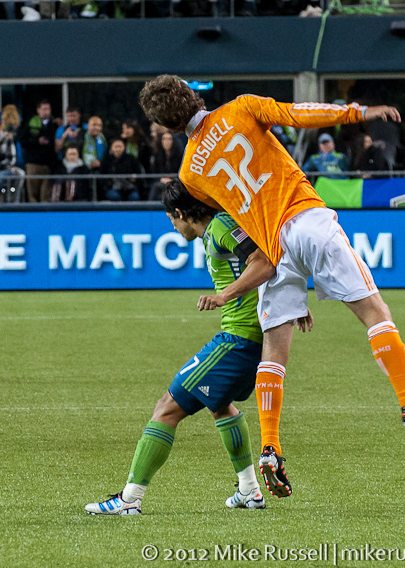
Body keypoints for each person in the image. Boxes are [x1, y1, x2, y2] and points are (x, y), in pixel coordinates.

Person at [138, 75, 405, 499]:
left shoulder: (189, 174)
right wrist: (358, 112)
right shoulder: (240, 108)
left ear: (166, 125)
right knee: (374, 313)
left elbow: (235, 217)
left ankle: (270, 446)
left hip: (274, 248)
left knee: (274, 350)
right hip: (306, 218)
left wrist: (286, 277)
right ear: (192, 96)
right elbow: (300, 114)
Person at [85, 179, 307, 516]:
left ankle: (130, 498)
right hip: (252, 339)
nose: (173, 227)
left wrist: (224, 295)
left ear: (180, 213)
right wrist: (293, 302)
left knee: (166, 407)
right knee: (220, 405)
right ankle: (249, 491)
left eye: (171, 220)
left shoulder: (221, 227)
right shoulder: (221, 227)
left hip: (238, 340)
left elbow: (264, 262)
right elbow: (272, 256)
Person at [19, 99, 58, 202]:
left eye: (48, 109)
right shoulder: (30, 123)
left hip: (48, 164)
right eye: (44, 109)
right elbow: (23, 141)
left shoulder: (54, 124)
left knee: (46, 195)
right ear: (38, 110)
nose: (46, 112)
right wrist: (37, 141)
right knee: (32, 194)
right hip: (33, 163)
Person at [147, 130, 183, 200]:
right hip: (161, 181)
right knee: (156, 188)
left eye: (169, 139)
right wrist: (161, 179)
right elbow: (154, 172)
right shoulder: (157, 155)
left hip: (175, 182)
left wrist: (171, 179)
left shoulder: (179, 155)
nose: (166, 141)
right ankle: (149, 205)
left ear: (173, 141)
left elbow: (181, 172)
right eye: (164, 139)